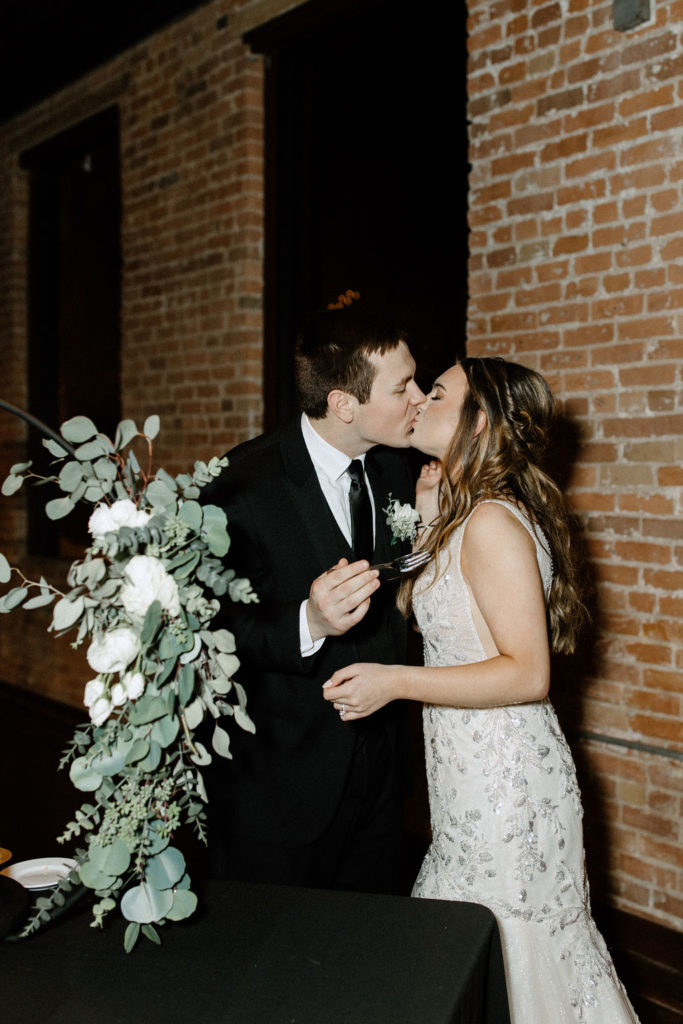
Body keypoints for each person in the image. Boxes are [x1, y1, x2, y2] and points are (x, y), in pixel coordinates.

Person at [323, 357, 640, 1023]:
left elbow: (527, 673)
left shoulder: (493, 522)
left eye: (437, 391)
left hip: (506, 789)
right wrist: (429, 517)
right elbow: (443, 620)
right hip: (471, 782)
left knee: (507, 952)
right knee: (470, 950)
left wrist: (394, 682)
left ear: (480, 422)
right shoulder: (467, 515)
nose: (420, 400)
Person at [201, 301, 425, 893]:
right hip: (280, 789)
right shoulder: (238, 485)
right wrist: (308, 621)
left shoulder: (398, 472)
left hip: (381, 785)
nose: (419, 397)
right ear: (343, 404)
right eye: (403, 386)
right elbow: (209, 635)